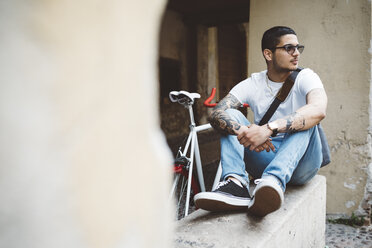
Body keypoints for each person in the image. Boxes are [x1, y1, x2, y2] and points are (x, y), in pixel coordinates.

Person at [194, 26, 328, 217]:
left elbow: (318, 109)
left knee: (305, 118)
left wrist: (268, 129)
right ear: (268, 53)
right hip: (265, 155)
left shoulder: (306, 77)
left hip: (302, 164)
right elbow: (217, 113)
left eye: (298, 48)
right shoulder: (254, 82)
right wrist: (244, 131)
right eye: (289, 48)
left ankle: (274, 180)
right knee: (229, 115)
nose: (296, 53)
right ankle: (235, 184)